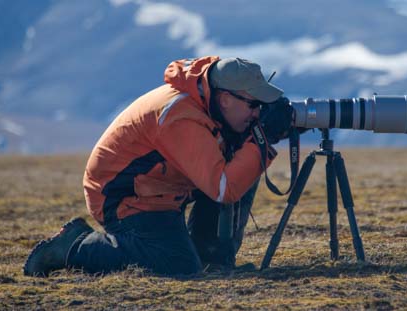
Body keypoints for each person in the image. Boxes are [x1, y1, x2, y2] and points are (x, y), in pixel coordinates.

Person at [23, 56, 293, 276]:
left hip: (165, 186)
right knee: (177, 265)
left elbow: (228, 168)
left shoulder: (210, 101)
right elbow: (224, 188)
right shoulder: (181, 116)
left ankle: (210, 257)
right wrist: (263, 139)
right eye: (255, 104)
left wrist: (270, 130)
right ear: (225, 99)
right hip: (123, 196)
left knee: (243, 163)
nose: (258, 112)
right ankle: (76, 246)